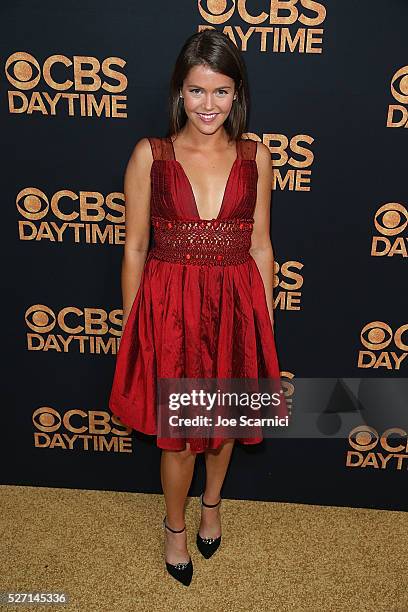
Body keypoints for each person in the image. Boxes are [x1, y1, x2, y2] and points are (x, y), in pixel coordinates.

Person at [108, 29, 288, 587]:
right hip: (171, 313)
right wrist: (137, 324)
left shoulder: (257, 156)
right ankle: (176, 526)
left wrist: (265, 322)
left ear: (237, 94)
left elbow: (261, 244)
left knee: (226, 425)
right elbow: (136, 247)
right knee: (183, 436)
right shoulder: (150, 156)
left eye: (221, 91)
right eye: (196, 91)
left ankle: (212, 505)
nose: (208, 105)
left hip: (237, 307)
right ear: (178, 93)